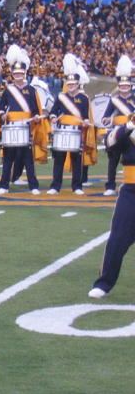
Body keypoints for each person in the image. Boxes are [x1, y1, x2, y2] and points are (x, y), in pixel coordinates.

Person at [88, 116, 135, 298]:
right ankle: (104, 283)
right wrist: (128, 126)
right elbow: (109, 143)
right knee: (117, 239)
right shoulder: (128, 130)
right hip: (131, 191)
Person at [0, 45, 44, 195]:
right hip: (11, 126)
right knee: (8, 158)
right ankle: (3, 186)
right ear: (12, 74)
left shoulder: (31, 90)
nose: (18, 75)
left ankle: (33, 186)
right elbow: (0, 107)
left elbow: (35, 109)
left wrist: (35, 116)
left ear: (25, 73)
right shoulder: (8, 89)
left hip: (26, 127)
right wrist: (2, 114)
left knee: (28, 158)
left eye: (21, 73)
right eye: (16, 73)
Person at [47, 55, 90, 195]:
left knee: (76, 160)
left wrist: (86, 121)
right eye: (69, 84)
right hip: (62, 131)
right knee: (59, 159)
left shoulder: (84, 98)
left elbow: (86, 116)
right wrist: (53, 118)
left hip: (76, 131)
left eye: (73, 84)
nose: (71, 86)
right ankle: (55, 186)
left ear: (78, 84)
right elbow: (53, 112)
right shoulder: (61, 97)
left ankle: (77, 187)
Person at [101, 56, 134, 196]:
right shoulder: (114, 100)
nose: (124, 87)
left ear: (130, 86)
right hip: (118, 132)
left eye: (126, 85)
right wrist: (107, 120)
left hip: (132, 134)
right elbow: (104, 118)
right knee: (113, 161)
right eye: (122, 86)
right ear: (119, 86)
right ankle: (110, 186)